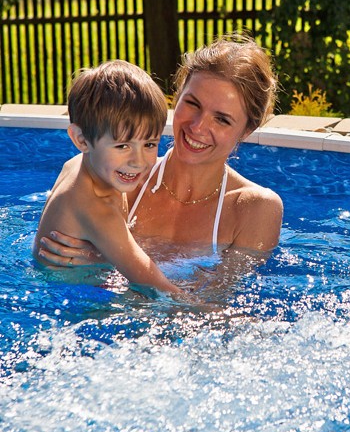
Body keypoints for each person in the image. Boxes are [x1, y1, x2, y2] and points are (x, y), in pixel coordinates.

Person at [37, 34, 283, 271]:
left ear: (247, 130)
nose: (197, 127)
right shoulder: (123, 175)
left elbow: (217, 305)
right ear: (176, 97)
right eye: (192, 104)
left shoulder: (253, 209)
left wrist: (106, 261)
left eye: (221, 119)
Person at [33, 60, 181, 294]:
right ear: (81, 140)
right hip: (80, 303)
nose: (138, 161)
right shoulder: (96, 210)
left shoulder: (76, 166)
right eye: (122, 146)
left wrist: (101, 256)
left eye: (150, 144)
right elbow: (160, 288)